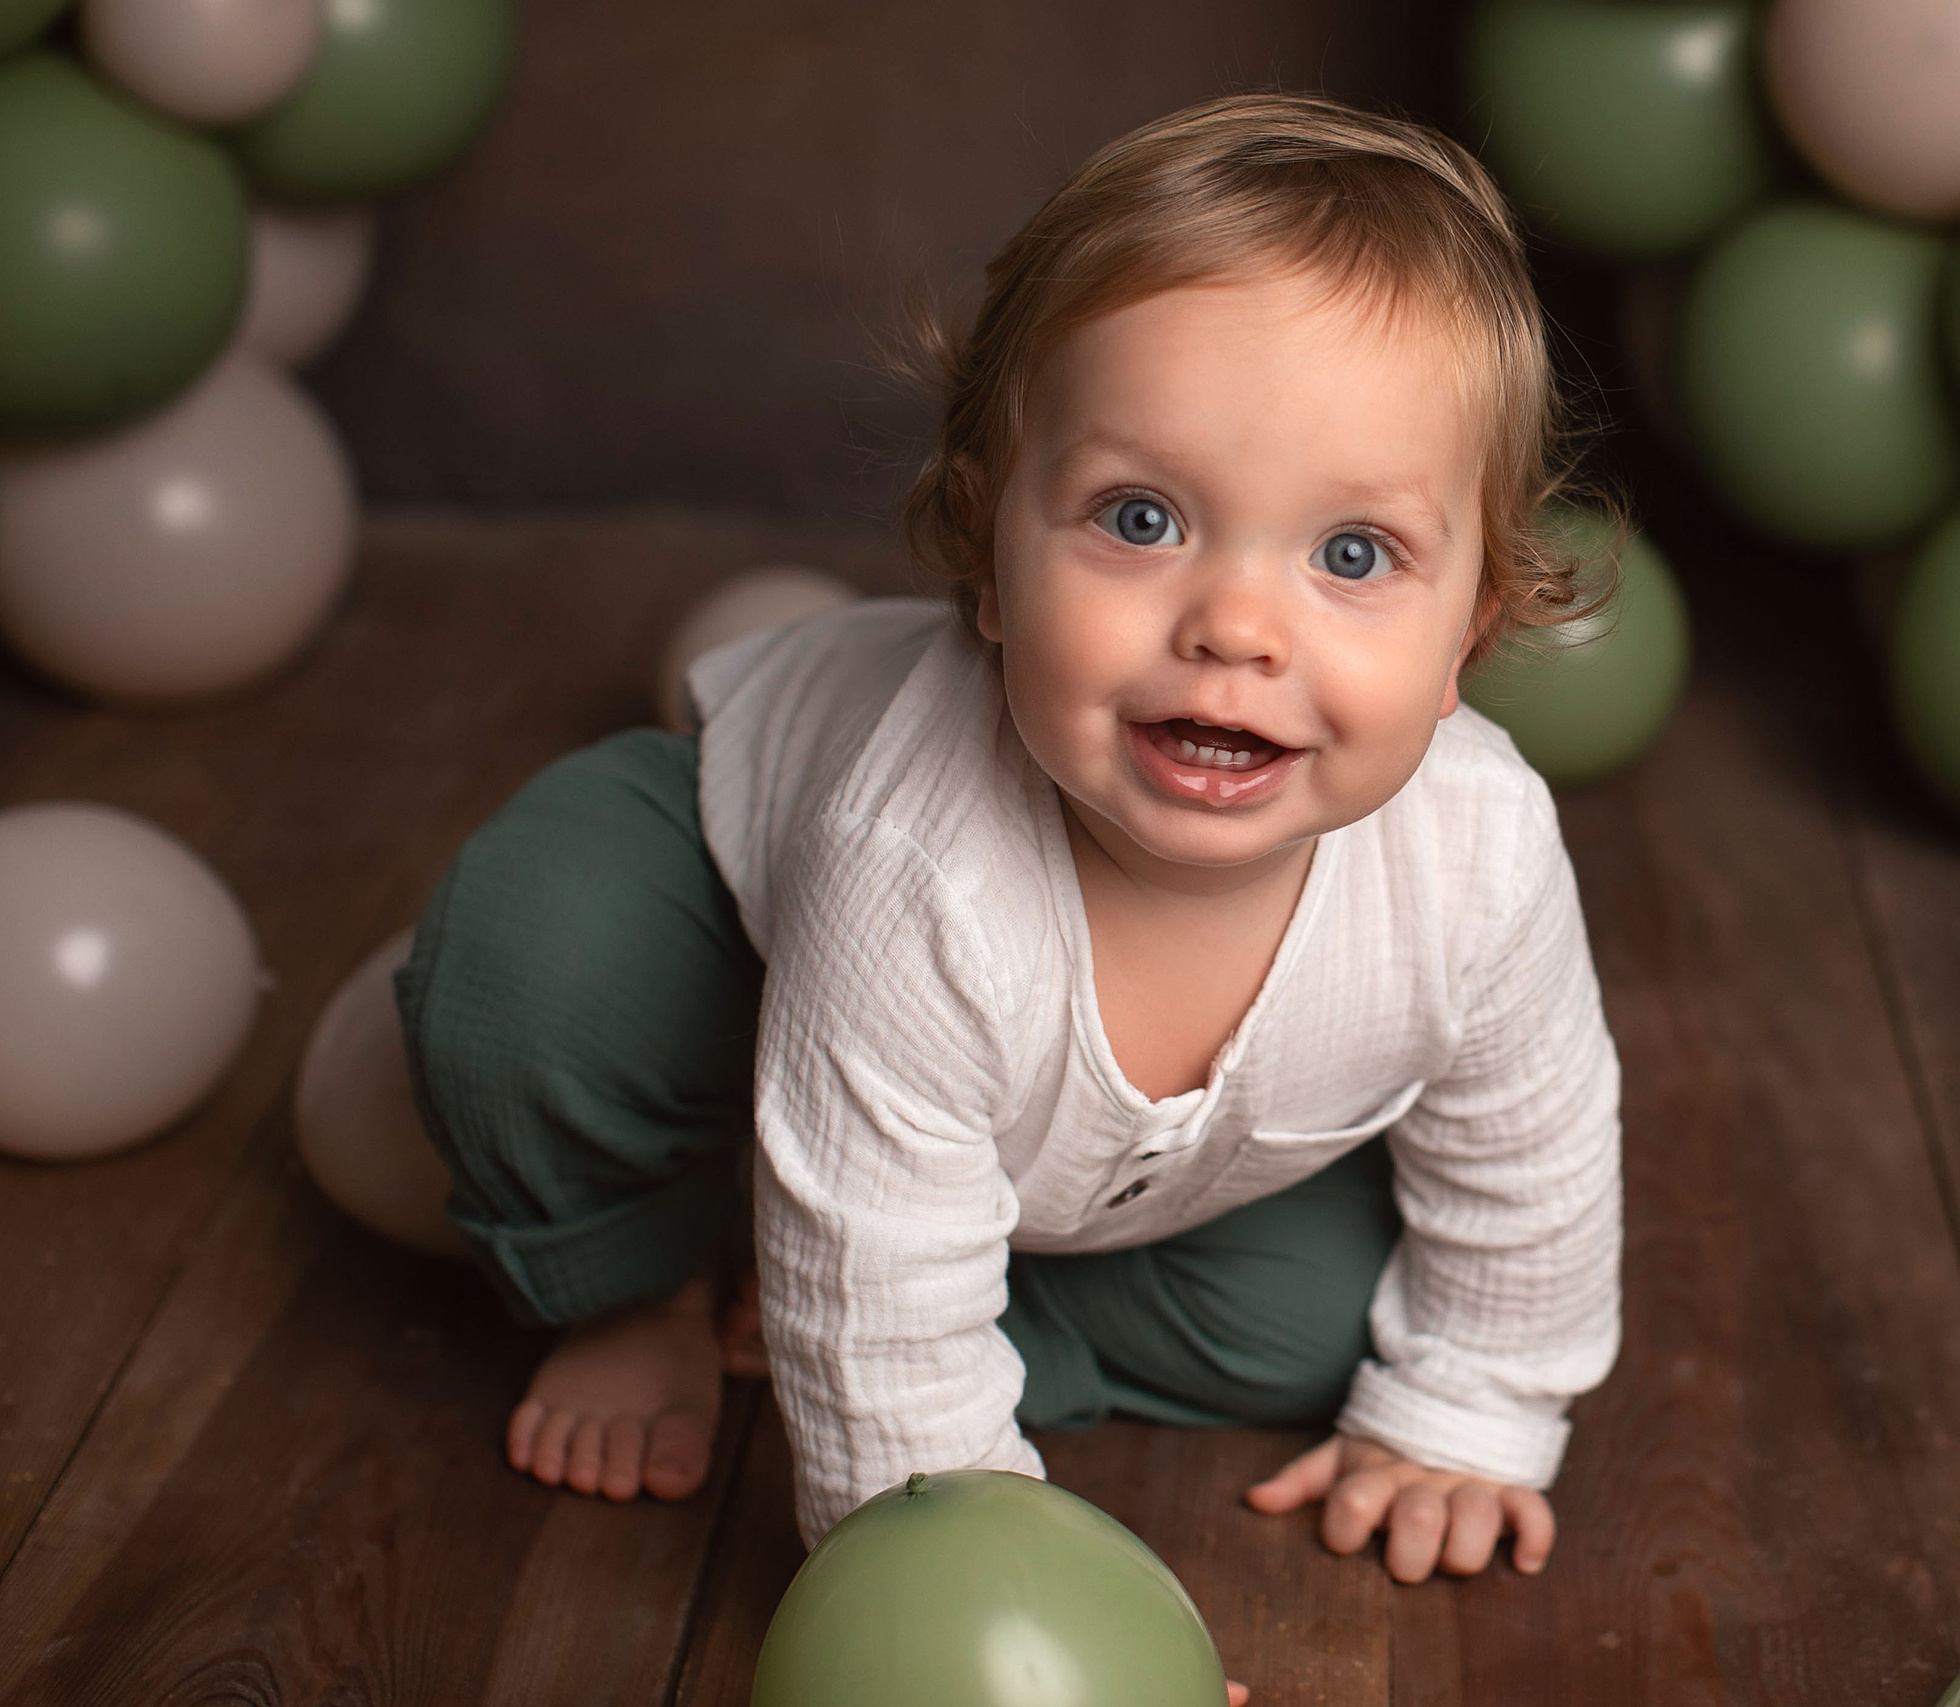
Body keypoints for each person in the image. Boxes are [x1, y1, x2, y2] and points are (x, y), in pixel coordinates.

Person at [396, 92, 1624, 1599]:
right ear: (987, 560)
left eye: (1351, 554)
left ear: (1466, 643)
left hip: (1104, 1186)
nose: (1235, 626)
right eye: (1141, 517)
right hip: (730, 914)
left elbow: (1529, 1161)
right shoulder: (920, 867)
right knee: (541, 963)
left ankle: (945, 1314)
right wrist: (974, 1595)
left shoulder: (1478, 855)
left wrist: (1471, 1412)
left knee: (1335, 1316)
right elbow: (895, 1414)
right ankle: (641, 1281)